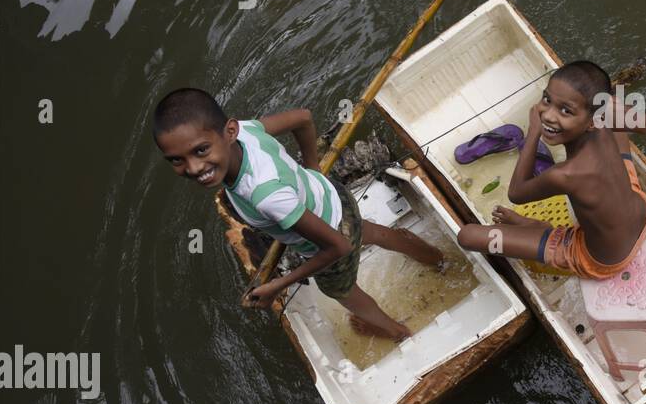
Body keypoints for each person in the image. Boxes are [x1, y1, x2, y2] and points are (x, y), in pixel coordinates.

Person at [153, 88, 443, 340]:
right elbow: (303, 118)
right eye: (177, 160)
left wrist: (279, 284)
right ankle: (436, 258)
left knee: (343, 293)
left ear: (227, 132)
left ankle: (396, 332)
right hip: (333, 197)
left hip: (326, 240)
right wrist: (313, 169)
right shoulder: (244, 131)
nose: (192, 168)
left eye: (201, 151)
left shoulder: (266, 196)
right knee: (370, 231)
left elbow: (338, 246)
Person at [456, 61, 646, 278]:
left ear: (592, 122)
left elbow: (516, 193)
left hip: (602, 261)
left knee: (467, 236)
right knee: (617, 129)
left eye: (565, 110)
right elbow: (644, 123)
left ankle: (545, 232)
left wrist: (533, 134)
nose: (548, 115)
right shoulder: (603, 116)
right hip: (640, 212)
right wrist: (609, 104)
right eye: (547, 99)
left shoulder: (564, 175)